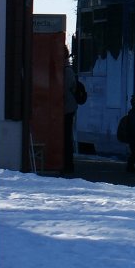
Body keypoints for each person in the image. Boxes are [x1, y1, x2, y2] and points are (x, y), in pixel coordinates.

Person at [62, 47, 78, 176]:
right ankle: (68, 163)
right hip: (69, 108)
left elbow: (65, 89)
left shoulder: (65, 72)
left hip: (65, 108)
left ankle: (67, 164)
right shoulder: (69, 71)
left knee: (65, 137)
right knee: (67, 136)